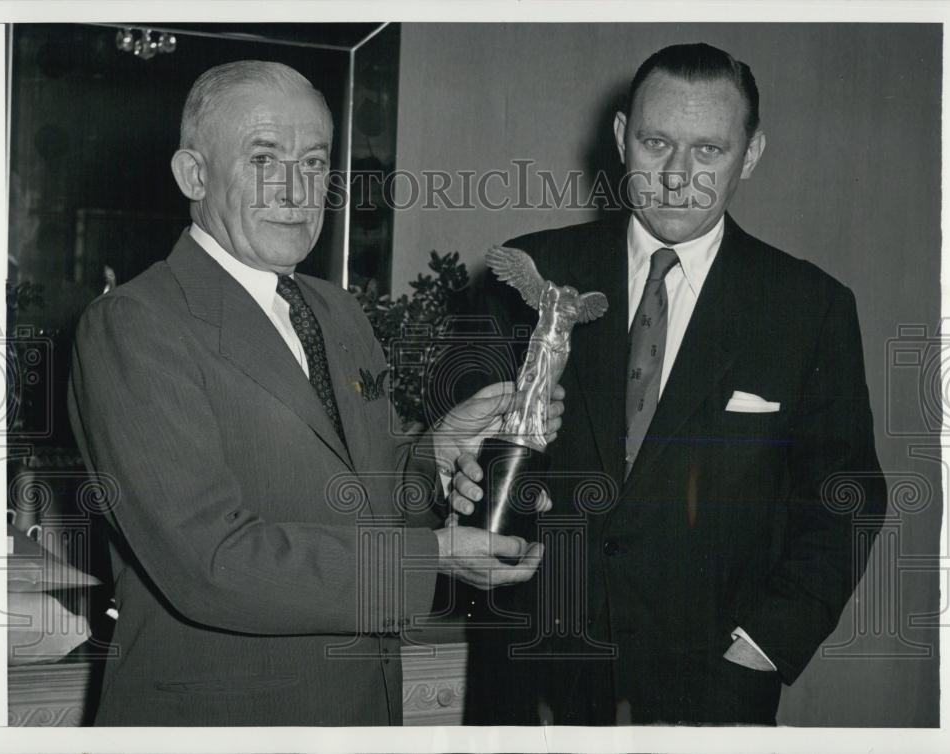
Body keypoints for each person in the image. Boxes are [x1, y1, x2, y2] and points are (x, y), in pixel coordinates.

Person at [67, 60, 559, 726]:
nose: (297, 189)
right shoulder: (136, 322)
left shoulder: (337, 311)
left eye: (315, 162)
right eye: (263, 159)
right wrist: (435, 557)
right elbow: (212, 564)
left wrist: (438, 454)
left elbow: (366, 494)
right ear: (193, 175)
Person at [454, 43, 886, 725]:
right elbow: (457, 469)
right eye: (656, 143)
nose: (678, 177)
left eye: (709, 151)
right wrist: (453, 484)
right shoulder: (528, 274)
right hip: (528, 687)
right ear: (622, 137)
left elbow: (847, 497)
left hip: (710, 694)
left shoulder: (810, 308)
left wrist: (764, 646)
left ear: (750, 154)